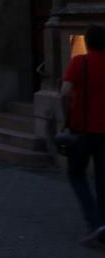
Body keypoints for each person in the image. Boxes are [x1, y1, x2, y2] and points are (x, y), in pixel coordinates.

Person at [62, 25, 105, 248]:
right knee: (102, 179)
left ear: (87, 43)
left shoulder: (80, 62)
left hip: (83, 130)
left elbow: (66, 91)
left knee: (77, 175)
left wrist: (66, 114)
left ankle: (95, 222)